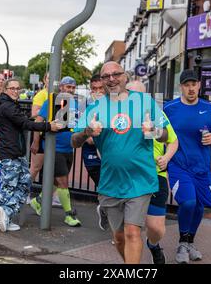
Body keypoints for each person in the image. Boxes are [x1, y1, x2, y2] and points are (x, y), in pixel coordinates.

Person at [71, 62, 169, 264]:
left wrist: (154, 130)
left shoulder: (145, 101)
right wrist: (87, 132)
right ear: (101, 80)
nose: (111, 79)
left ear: (125, 76)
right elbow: (74, 141)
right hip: (111, 182)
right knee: (119, 237)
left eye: (116, 74)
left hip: (140, 180)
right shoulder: (95, 108)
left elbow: (165, 135)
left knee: (133, 232)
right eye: (106, 76)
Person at [0, 78, 63, 232]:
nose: (15, 91)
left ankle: (3, 218)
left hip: (15, 152)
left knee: (22, 185)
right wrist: (48, 126)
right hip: (10, 153)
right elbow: (25, 123)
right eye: (12, 88)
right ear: (6, 90)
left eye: (17, 88)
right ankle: (4, 215)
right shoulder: (7, 106)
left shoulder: (6, 105)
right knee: (10, 187)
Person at [163, 69, 211, 264]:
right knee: (187, 202)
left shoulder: (209, 109)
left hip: (202, 167)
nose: (191, 88)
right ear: (181, 87)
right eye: (186, 85)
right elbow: (157, 133)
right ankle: (182, 243)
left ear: (199, 85)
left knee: (199, 206)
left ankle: (190, 242)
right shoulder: (169, 108)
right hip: (178, 165)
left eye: (194, 84)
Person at [126, 80, 179, 264]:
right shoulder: (118, 117)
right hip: (128, 176)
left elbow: (173, 140)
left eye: (140, 95)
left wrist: (166, 158)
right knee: (131, 229)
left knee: (156, 228)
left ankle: (153, 244)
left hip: (155, 174)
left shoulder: (156, 115)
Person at [30, 76, 82, 227]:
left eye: (73, 87)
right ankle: (69, 215)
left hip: (68, 147)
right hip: (54, 148)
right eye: (67, 87)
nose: (70, 90)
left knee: (55, 181)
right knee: (63, 181)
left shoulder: (76, 104)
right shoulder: (51, 102)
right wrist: (36, 141)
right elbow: (38, 121)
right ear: (61, 88)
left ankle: (37, 201)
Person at [29, 72, 61, 207]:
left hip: (54, 136)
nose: (53, 81)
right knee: (35, 168)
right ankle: (23, 192)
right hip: (41, 134)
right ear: (45, 80)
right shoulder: (41, 95)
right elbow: (34, 115)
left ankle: (52, 196)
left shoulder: (59, 96)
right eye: (49, 78)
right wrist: (36, 141)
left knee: (56, 169)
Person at [82, 75, 107, 230]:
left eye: (100, 89)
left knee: (109, 189)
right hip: (92, 157)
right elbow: (87, 138)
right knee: (104, 187)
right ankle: (105, 210)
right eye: (94, 89)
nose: (97, 92)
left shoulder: (114, 106)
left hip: (110, 156)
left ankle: (106, 212)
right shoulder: (85, 107)